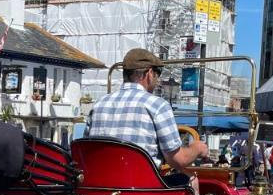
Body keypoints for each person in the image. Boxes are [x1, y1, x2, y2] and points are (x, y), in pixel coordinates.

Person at [84, 47, 208, 179]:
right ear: (149, 73)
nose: (158, 80)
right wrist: (197, 148)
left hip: (99, 186)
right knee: (191, 180)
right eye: (158, 74)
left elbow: (86, 148)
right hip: (141, 187)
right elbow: (177, 160)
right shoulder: (158, 105)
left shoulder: (98, 104)